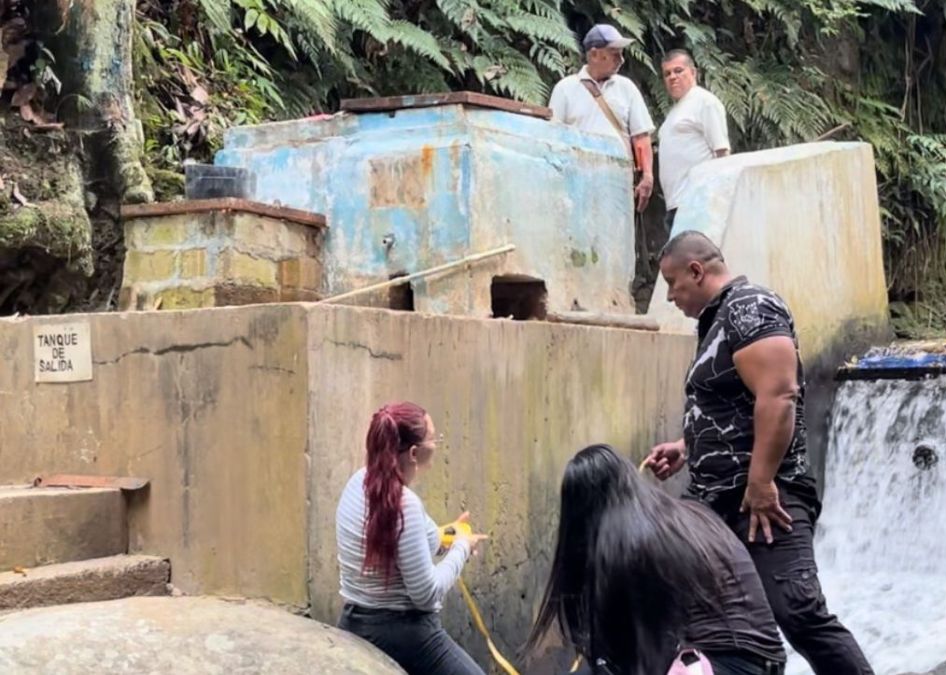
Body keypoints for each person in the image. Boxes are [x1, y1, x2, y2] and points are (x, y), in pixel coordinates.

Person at [645, 232, 873, 675]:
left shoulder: (749, 307)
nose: (670, 296)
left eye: (672, 283)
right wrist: (686, 446)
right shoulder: (716, 320)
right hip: (715, 500)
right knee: (680, 605)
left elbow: (780, 394)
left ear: (697, 271)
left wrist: (762, 480)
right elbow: (734, 406)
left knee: (798, 612)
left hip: (766, 498)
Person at [527, 444, 786, 675]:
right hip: (766, 661)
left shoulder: (630, 542)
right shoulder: (681, 515)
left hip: (729, 663)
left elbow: (645, 652)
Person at [335, 402, 489, 675]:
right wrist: (462, 548)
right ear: (415, 453)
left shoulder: (358, 482)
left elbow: (421, 537)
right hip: (403, 631)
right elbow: (426, 594)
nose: (437, 444)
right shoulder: (405, 505)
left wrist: (450, 534)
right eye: (434, 439)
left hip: (354, 621)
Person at [548, 24, 656, 213]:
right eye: (615, 54)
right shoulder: (565, 89)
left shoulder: (626, 88)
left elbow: (641, 136)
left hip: (618, 180)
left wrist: (647, 175)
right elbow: (553, 138)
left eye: (622, 54)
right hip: (577, 179)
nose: (621, 60)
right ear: (594, 54)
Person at [657, 50, 730, 230]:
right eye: (667, 74)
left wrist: (719, 199)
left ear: (693, 72)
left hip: (698, 202)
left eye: (678, 71)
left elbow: (721, 152)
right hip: (676, 203)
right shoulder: (676, 111)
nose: (673, 77)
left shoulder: (704, 102)